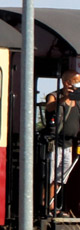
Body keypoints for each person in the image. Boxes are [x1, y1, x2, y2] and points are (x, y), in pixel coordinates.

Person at [47, 66, 80, 203]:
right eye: (77, 81)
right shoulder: (54, 95)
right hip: (55, 143)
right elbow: (49, 107)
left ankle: (51, 202)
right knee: (50, 175)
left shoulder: (78, 100)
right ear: (67, 83)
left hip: (69, 144)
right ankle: (47, 204)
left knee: (62, 176)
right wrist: (65, 97)